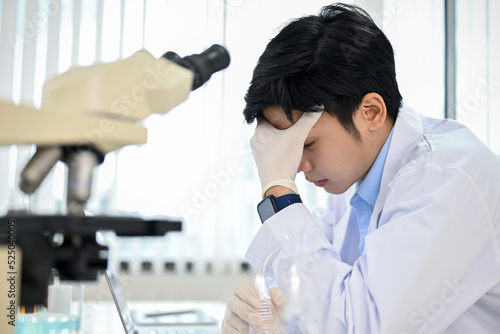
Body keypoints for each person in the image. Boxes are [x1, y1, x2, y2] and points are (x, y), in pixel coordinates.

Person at [222, 3, 500, 334]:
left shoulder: (447, 177)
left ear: (370, 112)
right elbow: (314, 299)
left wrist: (278, 192)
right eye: (284, 149)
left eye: (306, 143)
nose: (296, 167)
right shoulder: (351, 182)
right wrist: (265, 321)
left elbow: (359, 325)